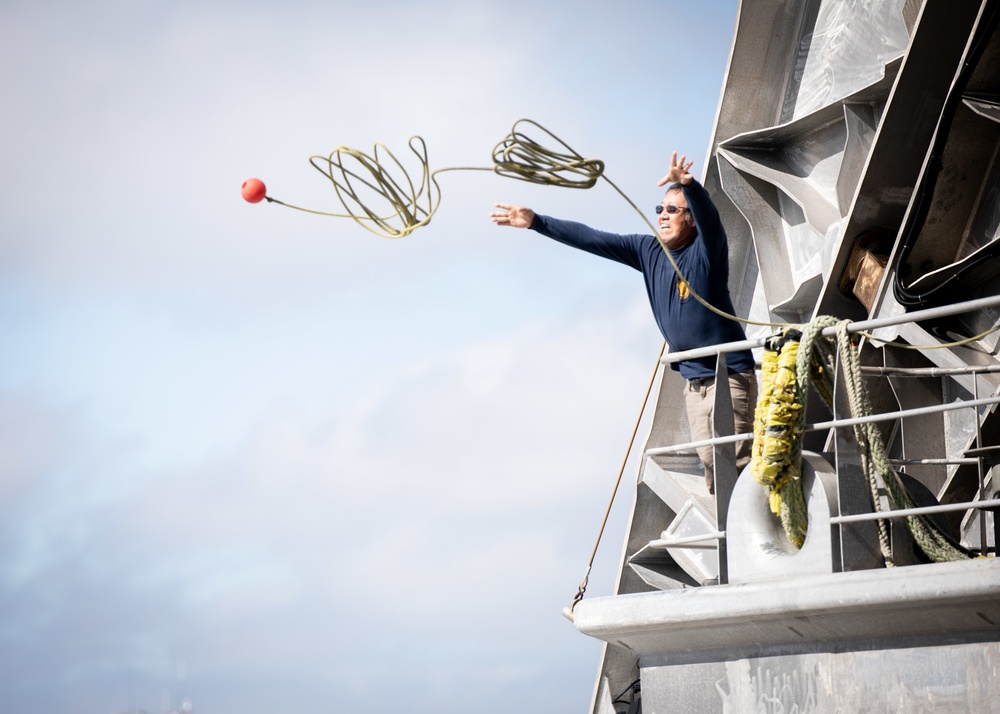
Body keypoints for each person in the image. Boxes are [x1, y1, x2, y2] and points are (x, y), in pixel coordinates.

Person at [490, 152, 757, 494]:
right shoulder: (648, 251)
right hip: (694, 381)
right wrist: (537, 222)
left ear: (689, 218)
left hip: (729, 376)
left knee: (735, 463)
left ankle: (753, 532)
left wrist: (690, 187)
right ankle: (735, 534)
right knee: (712, 465)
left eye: (672, 210)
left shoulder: (706, 252)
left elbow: (710, 220)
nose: (662, 215)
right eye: (659, 209)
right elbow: (593, 238)